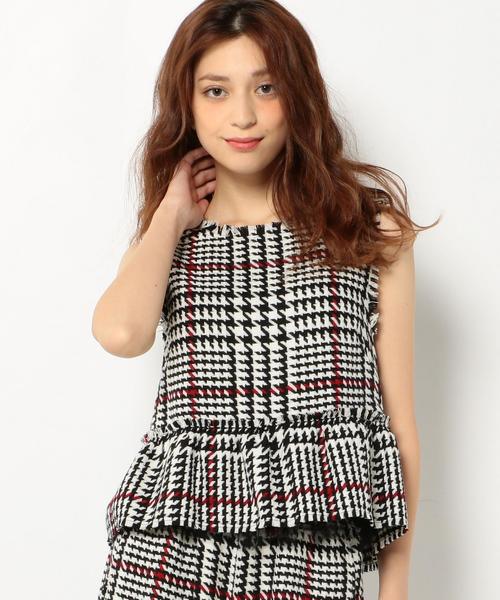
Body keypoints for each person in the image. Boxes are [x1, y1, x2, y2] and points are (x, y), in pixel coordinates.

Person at [93, 1, 437, 598]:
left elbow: (400, 425)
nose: (243, 115)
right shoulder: (168, 240)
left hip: (313, 552)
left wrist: (396, 586)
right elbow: (120, 335)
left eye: (266, 86)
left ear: (298, 94)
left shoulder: (364, 231)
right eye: (216, 91)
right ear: (186, 105)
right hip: (170, 552)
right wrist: (171, 214)